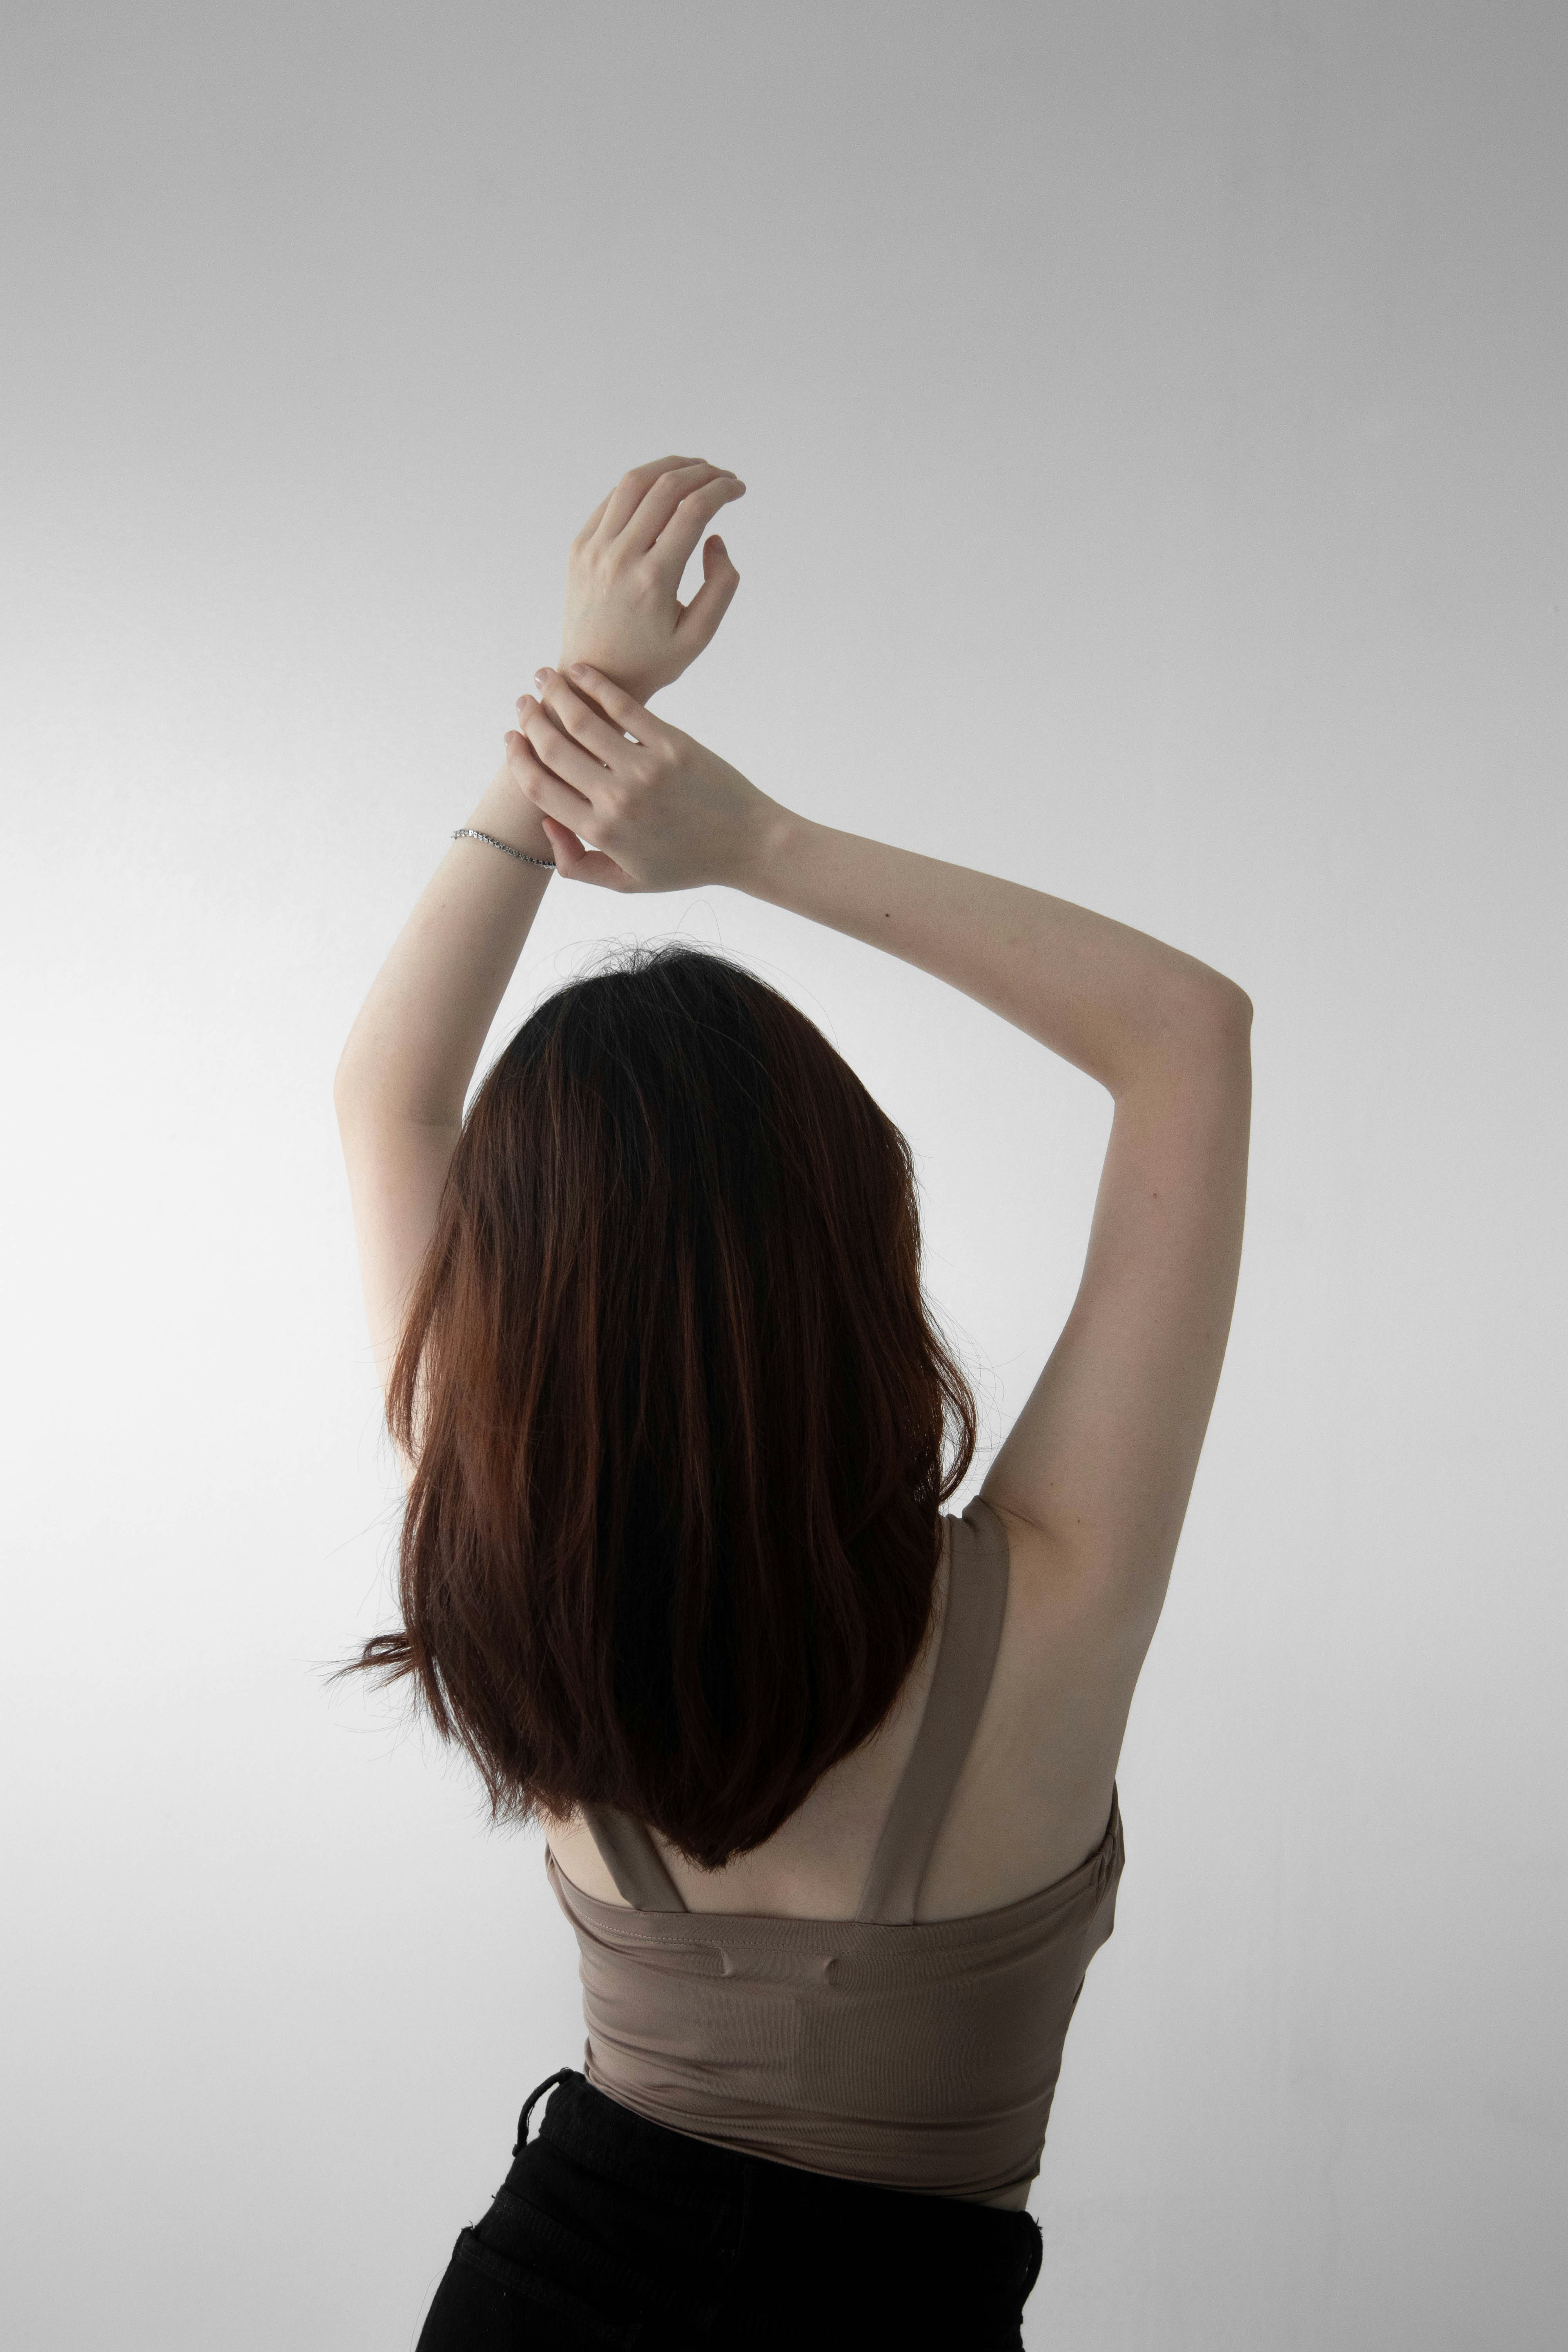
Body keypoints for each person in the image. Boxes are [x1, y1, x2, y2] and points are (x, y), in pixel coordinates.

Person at [331, 456, 1254, 2348]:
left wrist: (577, 711)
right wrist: (747, 841)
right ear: (855, 1243)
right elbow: (1183, 1036)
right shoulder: (1048, 1597)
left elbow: (389, 1100)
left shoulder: (509, 1548)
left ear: (504, 1304)